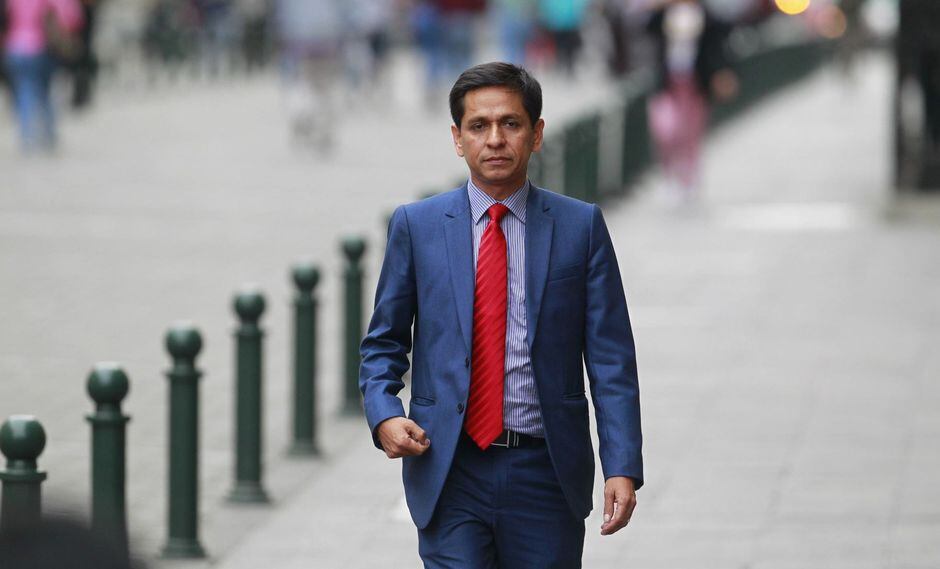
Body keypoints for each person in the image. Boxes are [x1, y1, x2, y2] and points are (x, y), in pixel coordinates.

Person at [360, 62, 643, 568]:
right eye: (478, 126)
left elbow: (611, 359)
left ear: (536, 134)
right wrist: (384, 413)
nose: (494, 139)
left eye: (510, 123)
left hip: (546, 471)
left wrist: (621, 464)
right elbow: (383, 342)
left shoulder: (579, 227)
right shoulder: (417, 226)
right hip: (449, 467)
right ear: (457, 138)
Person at [644, 0, 737, 202]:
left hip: (695, 85)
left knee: (691, 135)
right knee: (666, 130)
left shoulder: (706, 16)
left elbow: (720, 41)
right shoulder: (665, 13)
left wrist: (722, 73)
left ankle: (689, 179)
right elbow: (646, 28)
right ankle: (670, 176)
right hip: (669, 84)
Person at [2, 0, 83, 152]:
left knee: (23, 91)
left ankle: (27, 134)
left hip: (15, 48)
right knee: (45, 92)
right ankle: (49, 134)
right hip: (41, 49)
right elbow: (73, 18)